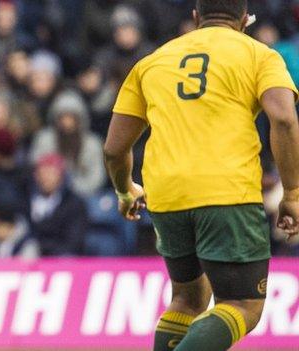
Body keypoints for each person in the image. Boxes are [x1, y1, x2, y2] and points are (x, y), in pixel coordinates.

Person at [103, 1, 299, 351]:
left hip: (166, 196)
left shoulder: (152, 61)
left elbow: (114, 149)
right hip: (227, 192)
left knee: (188, 300)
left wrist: (125, 191)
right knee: (242, 304)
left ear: (196, 18)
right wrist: (294, 193)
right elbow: (283, 119)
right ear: (243, 20)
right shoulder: (259, 55)